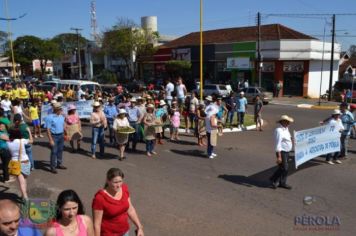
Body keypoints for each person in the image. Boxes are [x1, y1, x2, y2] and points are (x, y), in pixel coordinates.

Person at [92, 168, 144, 236]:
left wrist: (139, 227)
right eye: (115, 182)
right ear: (108, 181)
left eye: (120, 181)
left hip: (125, 232)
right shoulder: (100, 198)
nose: (119, 185)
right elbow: (97, 224)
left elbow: (130, 209)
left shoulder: (124, 189)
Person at [7, 128, 33, 199]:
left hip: (16, 164)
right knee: (24, 180)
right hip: (26, 162)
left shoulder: (8, 143)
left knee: (21, 182)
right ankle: (24, 196)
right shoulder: (22, 141)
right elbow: (31, 141)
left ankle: (24, 196)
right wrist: (29, 131)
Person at [270, 115, 294, 190]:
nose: (288, 123)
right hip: (282, 152)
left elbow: (289, 137)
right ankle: (273, 179)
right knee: (284, 168)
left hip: (287, 151)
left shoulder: (286, 129)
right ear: (282, 121)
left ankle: (282, 183)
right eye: (287, 121)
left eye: (289, 122)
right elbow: (278, 144)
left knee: (283, 168)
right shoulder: (279, 131)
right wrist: (279, 156)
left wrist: (293, 140)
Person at [45, 102, 66, 174]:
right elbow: (48, 129)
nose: (61, 110)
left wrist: (65, 134)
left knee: (60, 150)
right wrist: (50, 140)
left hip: (61, 135)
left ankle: (59, 164)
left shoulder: (61, 116)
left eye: (61, 109)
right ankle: (53, 167)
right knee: (54, 152)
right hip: (54, 136)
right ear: (56, 109)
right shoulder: (49, 117)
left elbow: (63, 125)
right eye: (60, 109)